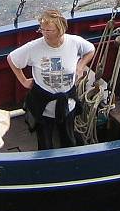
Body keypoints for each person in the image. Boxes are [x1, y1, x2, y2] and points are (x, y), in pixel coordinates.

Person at [7, 8, 95, 150]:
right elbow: (12, 59)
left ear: (60, 29)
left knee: (68, 139)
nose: (45, 34)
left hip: (67, 103)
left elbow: (90, 50)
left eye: (49, 31)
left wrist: (80, 66)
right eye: (42, 30)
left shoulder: (75, 42)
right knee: (45, 143)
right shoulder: (34, 47)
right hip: (44, 105)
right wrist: (23, 80)